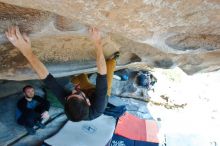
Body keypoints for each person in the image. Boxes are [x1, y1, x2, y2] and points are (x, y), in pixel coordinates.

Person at [6, 26, 119, 122]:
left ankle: (76, 80)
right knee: (109, 66)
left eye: (71, 94)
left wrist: (26, 51)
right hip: (97, 93)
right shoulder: (99, 105)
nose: (74, 91)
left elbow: (48, 79)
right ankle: (114, 59)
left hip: (86, 93)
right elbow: (102, 75)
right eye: (77, 93)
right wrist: (97, 42)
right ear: (88, 102)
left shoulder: (68, 103)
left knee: (80, 78)